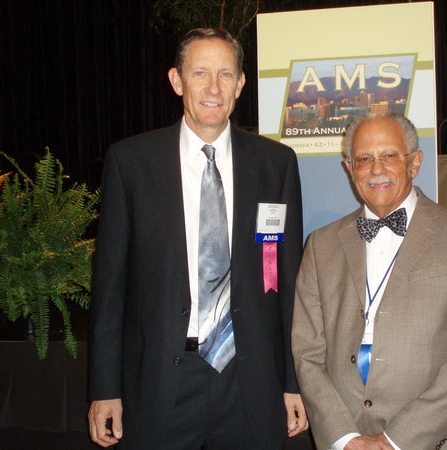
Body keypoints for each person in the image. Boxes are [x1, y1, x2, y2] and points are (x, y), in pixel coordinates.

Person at [87, 28, 308, 449]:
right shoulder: (130, 163)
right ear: (176, 80)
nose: (212, 88)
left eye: (225, 75)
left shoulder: (276, 163)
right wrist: (104, 388)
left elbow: (287, 280)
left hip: (251, 382)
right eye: (200, 73)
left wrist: (292, 381)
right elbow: (110, 286)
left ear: (241, 84)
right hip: (161, 380)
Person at [292, 112, 447, 450]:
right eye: (364, 159)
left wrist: (397, 440)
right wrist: (343, 437)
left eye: (389, 155)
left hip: (430, 439)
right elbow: (307, 351)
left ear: (414, 163)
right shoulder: (320, 245)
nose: (376, 169)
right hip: (345, 437)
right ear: (349, 168)